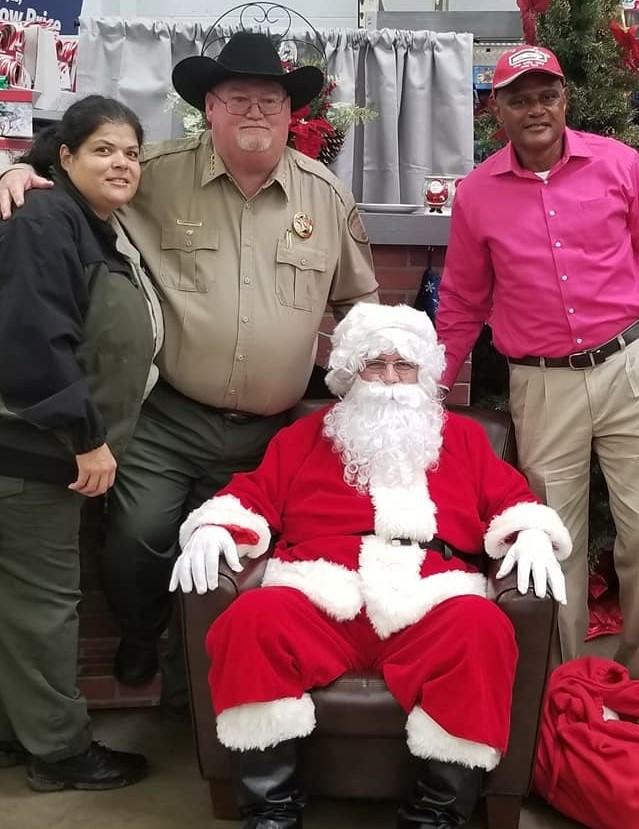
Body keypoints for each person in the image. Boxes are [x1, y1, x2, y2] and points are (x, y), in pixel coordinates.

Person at [0, 30, 378, 704]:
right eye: (239, 98)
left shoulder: (324, 196)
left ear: (294, 113)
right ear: (211, 105)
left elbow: (359, 304)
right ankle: (142, 633)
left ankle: (196, 695)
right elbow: (81, 171)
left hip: (271, 433)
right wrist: (19, 170)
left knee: (239, 562)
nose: (256, 111)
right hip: (168, 417)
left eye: (271, 99)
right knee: (137, 540)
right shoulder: (156, 171)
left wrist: (375, 385)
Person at [168, 302, 570, 829]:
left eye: (403, 366)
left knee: (483, 628)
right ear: (348, 374)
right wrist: (216, 526)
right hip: (320, 594)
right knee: (250, 621)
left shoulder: (465, 440)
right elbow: (252, 495)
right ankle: (271, 810)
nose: (389, 380)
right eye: (374, 365)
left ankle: (436, 814)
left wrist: (534, 532)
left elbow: (510, 500)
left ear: (424, 374)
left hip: (431, 597)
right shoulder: (304, 437)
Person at [436, 44, 639, 676]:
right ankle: (565, 693)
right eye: (519, 98)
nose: (536, 109)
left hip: (628, 367)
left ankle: (633, 685)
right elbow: (465, 300)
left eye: (546, 95)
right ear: (497, 108)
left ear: (565, 99)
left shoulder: (621, 164)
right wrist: (430, 386)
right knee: (553, 543)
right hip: (542, 385)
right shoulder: (476, 195)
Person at [0, 95, 162, 790]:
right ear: (63, 157)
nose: (121, 161)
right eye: (103, 149)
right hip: (36, 453)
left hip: (49, 450)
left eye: (131, 151)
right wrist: (88, 438)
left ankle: (15, 733)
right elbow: (33, 341)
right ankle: (60, 754)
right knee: (44, 606)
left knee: (20, 605)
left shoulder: (87, 222)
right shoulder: (45, 218)